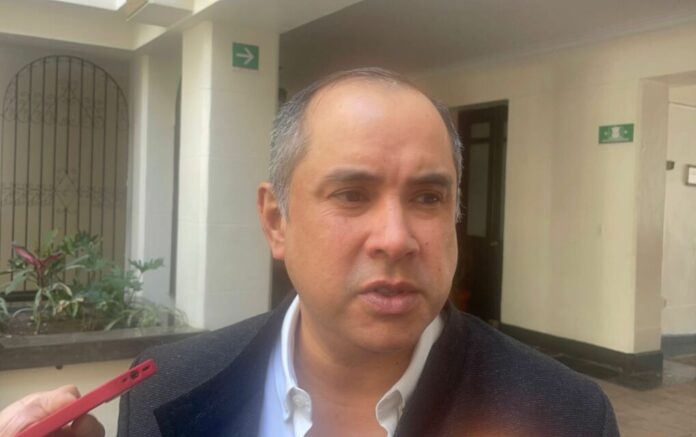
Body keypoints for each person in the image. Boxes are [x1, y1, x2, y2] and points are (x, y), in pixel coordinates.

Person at [1, 68, 619, 437]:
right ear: (277, 220)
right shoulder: (167, 389)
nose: (396, 237)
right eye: (352, 195)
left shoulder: (564, 414)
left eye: (429, 197)